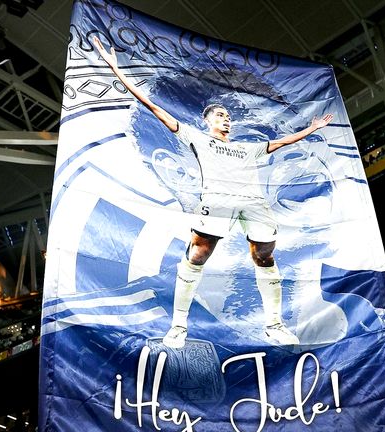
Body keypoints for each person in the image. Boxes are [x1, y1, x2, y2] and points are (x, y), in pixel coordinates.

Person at [91, 35, 334, 349]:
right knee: (198, 255)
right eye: (220, 115)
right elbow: (154, 108)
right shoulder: (197, 138)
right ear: (206, 121)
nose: (226, 119)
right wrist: (117, 70)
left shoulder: (247, 148)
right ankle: (178, 326)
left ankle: (275, 325)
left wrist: (312, 128)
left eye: (228, 116)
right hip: (218, 201)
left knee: (264, 256)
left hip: (253, 203)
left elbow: (282, 142)